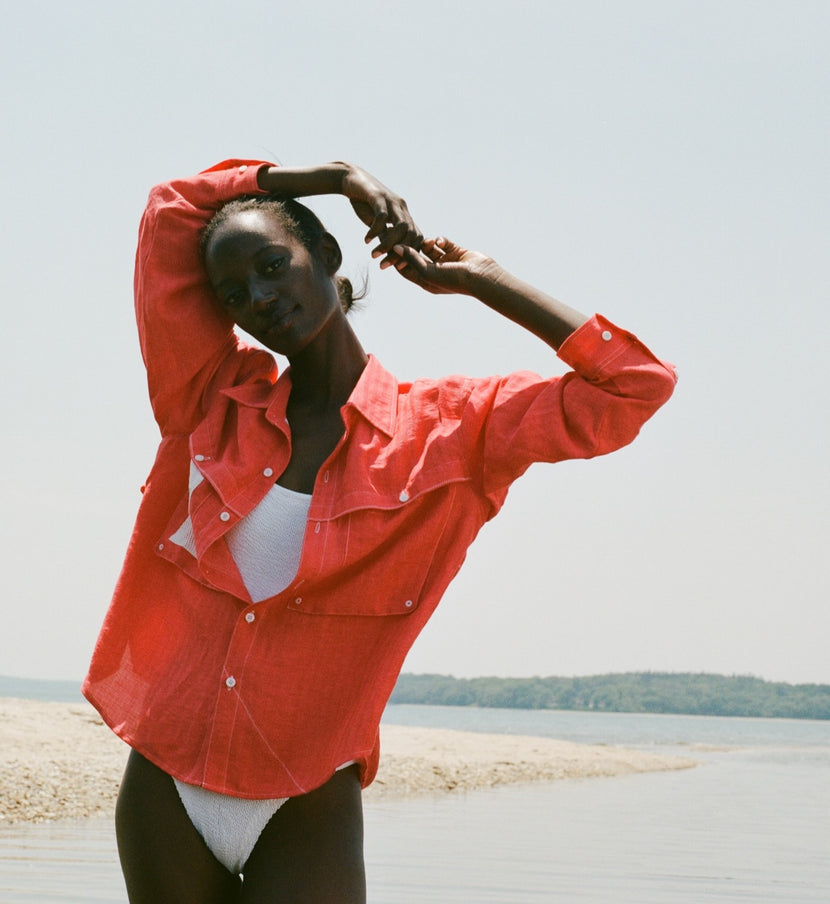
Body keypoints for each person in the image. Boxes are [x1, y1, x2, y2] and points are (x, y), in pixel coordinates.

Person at [83, 158, 676, 903]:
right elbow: (170, 205)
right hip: (165, 780)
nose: (259, 297)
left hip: (306, 797)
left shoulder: (455, 434)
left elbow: (633, 387)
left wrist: (483, 280)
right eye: (234, 294)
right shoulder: (209, 400)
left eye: (273, 266)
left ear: (328, 256)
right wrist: (335, 177)